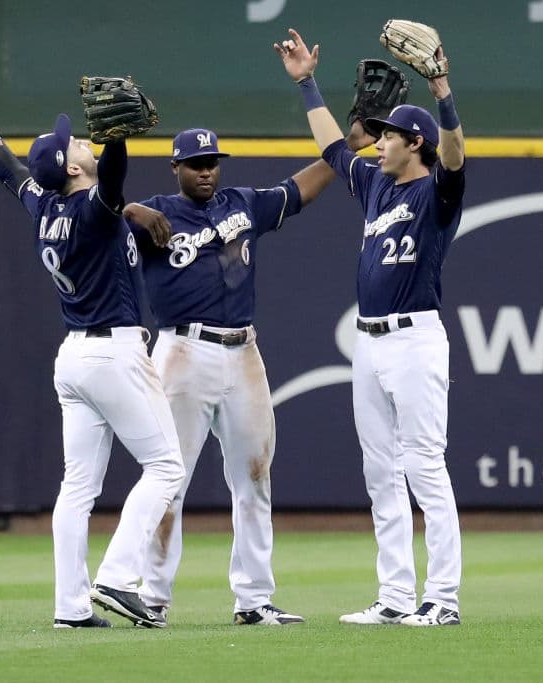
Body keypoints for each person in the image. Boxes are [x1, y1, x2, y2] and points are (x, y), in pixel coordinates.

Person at [0, 66, 184, 629]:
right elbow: (114, 176)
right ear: (73, 168)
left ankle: (70, 608)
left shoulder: (44, 206)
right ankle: (117, 577)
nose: (80, 139)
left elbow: (5, 164)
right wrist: (117, 137)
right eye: (75, 142)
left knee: (77, 487)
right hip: (113, 354)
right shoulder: (92, 211)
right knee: (166, 468)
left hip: (75, 359)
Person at [123, 126, 367, 626]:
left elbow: (298, 191)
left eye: (212, 161)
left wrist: (347, 147)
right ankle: (153, 596)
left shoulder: (242, 203)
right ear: (175, 168)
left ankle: (254, 600)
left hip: (243, 350)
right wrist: (130, 210)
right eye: (196, 163)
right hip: (183, 350)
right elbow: (97, 217)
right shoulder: (157, 213)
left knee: (255, 477)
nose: (206, 170)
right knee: (169, 479)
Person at [274, 28, 465, 627]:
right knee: (380, 472)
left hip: (414, 340)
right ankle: (395, 596)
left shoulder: (437, 192)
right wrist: (307, 83)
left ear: (415, 142)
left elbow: (455, 155)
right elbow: (334, 148)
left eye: (388, 137)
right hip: (370, 342)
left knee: (424, 466)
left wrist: (441, 92)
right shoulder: (376, 183)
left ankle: (443, 599)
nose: (377, 143)